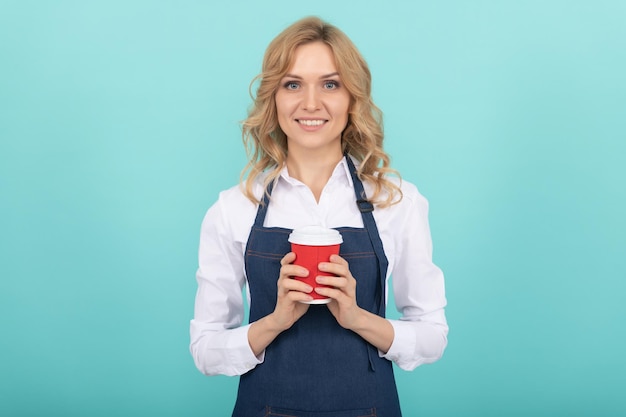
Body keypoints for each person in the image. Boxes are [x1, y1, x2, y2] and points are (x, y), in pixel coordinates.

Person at [190, 16, 448, 417]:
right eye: (293, 84)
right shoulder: (234, 208)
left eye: (330, 84)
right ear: (274, 99)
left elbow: (433, 336)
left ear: (352, 98)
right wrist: (275, 321)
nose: (311, 103)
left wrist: (357, 317)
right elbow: (206, 350)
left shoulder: (397, 202)